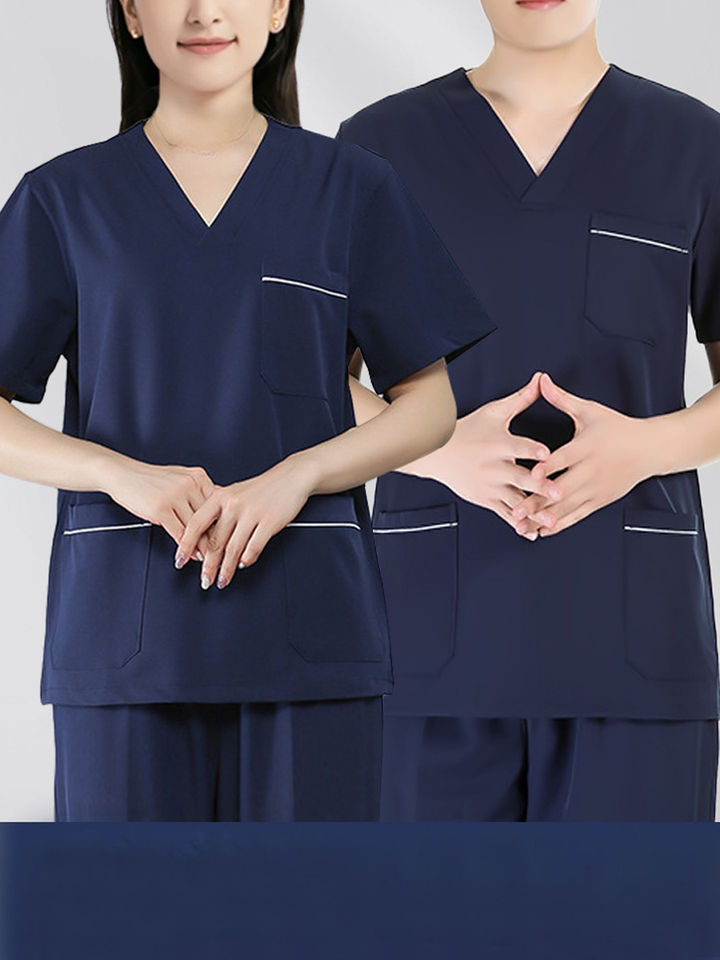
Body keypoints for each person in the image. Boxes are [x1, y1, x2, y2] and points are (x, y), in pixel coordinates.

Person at [0, 0, 498, 821]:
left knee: (307, 901)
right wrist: (116, 474)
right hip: (127, 644)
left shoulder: (352, 189)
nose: (205, 12)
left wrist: (300, 474)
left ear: (277, 10)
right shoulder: (64, 199)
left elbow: (429, 406)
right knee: (124, 902)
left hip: (312, 640)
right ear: (131, 13)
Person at [337, 0, 720, 821]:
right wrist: (435, 448)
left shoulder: (695, 144)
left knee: (631, 904)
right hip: (425, 648)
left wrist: (646, 447)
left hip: (634, 650)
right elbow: (305, 372)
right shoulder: (378, 146)